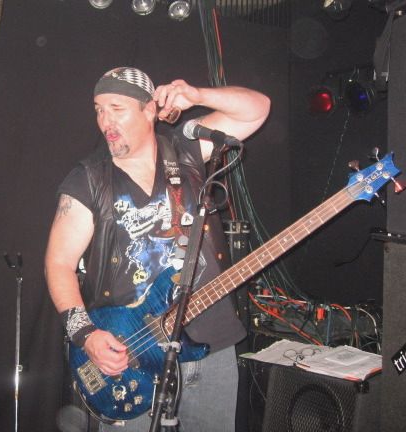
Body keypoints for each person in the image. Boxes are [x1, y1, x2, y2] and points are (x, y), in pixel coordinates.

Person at [45, 67, 270, 431]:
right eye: (99, 109)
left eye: (117, 108)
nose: (105, 121)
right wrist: (85, 335)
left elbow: (257, 109)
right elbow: (59, 262)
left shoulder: (187, 150)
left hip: (211, 348)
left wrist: (197, 95)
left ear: (149, 109)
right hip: (132, 354)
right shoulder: (89, 178)